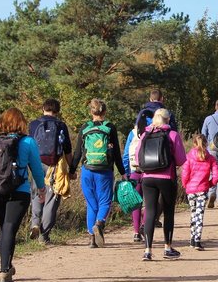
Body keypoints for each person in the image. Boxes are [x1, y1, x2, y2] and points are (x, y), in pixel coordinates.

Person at [0, 108, 47, 282]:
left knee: (5, 228)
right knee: (9, 228)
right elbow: (36, 169)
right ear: (21, 122)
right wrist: (42, 190)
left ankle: (7, 265)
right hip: (18, 192)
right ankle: (4, 271)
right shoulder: (28, 142)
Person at [71, 99, 127, 249]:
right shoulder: (110, 128)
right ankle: (100, 222)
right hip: (104, 171)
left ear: (91, 112)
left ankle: (91, 239)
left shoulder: (85, 128)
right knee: (104, 201)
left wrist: (71, 171)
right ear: (105, 112)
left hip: (87, 170)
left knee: (91, 204)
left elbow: (77, 153)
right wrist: (123, 172)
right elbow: (116, 154)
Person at [134, 108, 186, 261]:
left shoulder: (145, 135)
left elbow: (138, 159)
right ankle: (167, 248)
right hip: (166, 177)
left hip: (147, 178)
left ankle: (148, 251)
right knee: (168, 212)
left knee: (150, 212)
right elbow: (181, 159)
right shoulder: (172, 135)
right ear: (168, 120)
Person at [28, 98, 74, 245]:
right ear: (57, 111)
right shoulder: (61, 125)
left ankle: (35, 222)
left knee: (36, 193)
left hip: (36, 164)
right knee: (51, 199)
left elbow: (27, 146)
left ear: (43, 108)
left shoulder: (34, 124)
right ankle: (44, 235)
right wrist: (71, 169)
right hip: (54, 166)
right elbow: (67, 150)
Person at [181, 134, 218, 251]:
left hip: (191, 190)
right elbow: (217, 175)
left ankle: (192, 239)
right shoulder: (210, 158)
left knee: (193, 214)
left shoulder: (189, 157)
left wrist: (185, 185)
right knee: (199, 215)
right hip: (202, 189)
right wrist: (210, 184)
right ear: (206, 144)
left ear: (194, 144)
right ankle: (197, 240)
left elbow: (184, 174)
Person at [122, 124, 146, 243]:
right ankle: (144, 226)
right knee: (150, 203)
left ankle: (136, 232)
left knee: (135, 202)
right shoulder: (154, 131)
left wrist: (125, 172)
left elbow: (126, 154)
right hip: (150, 171)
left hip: (134, 171)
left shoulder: (132, 133)